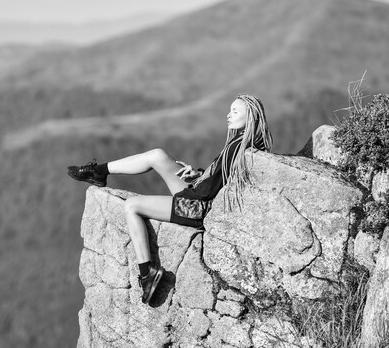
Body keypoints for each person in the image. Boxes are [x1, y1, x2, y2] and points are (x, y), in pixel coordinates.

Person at [67, 94, 273, 305]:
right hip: (199, 195)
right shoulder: (244, 143)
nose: (228, 115)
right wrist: (197, 174)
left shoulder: (238, 147)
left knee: (131, 206)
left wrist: (194, 186)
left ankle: (147, 273)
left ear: (251, 117)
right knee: (157, 155)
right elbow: (220, 179)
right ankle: (98, 172)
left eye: (235, 112)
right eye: (230, 111)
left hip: (198, 207)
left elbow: (209, 190)